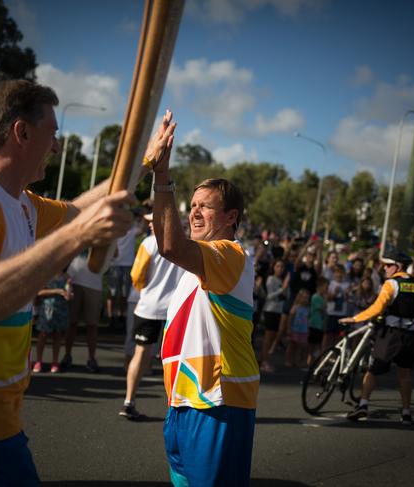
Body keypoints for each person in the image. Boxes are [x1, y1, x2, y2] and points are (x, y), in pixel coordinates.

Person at [0, 80, 172, 485]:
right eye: (53, 134)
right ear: (22, 132)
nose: (56, 147)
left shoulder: (20, 202)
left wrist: (143, 164)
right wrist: (79, 236)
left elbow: (82, 207)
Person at [148, 111, 259, 487]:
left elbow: (168, 243)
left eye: (205, 206)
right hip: (183, 399)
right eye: (192, 205)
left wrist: (161, 175)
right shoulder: (194, 265)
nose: (194, 211)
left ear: (231, 217)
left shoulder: (231, 255)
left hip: (219, 400)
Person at [340, 251, 414, 425]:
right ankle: (406, 413)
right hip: (410, 334)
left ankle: (363, 405)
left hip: (391, 334)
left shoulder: (391, 283)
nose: (385, 268)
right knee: (404, 375)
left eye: (388, 265)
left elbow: (377, 308)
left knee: (373, 370)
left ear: (398, 267)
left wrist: (355, 318)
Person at [119, 220, 184, 420]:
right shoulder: (183, 243)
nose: (149, 225)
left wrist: (148, 289)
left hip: (150, 306)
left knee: (140, 353)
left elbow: (136, 276)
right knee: (176, 359)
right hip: (175, 309)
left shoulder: (149, 243)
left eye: (152, 221)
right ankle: (179, 407)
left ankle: (129, 401)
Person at [61, 251, 104, 372]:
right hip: (74, 281)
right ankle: (67, 355)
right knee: (71, 323)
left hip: (94, 284)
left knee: (92, 325)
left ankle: (91, 358)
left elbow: (114, 253)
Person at [32, 270, 72, 373]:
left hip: (61, 309)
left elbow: (70, 292)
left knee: (58, 335)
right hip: (47, 309)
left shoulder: (66, 276)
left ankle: (55, 362)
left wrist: (69, 295)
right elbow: (39, 292)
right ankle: (38, 361)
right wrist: (57, 291)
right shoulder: (46, 274)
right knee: (43, 334)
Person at [260, 259, 290, 373]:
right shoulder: (271, 279)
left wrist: (285, 289)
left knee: (272, 337)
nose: (280, 269)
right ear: (274, 267)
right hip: (270, 310)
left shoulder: (281, 280)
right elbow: (269, 296)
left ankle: (266, 360)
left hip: (278, 311)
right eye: (278, 266)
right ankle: (264, 361)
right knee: (268, 337)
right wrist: (282, 289)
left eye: (282, 267)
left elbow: (285, 296)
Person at [286, 289, 309, 368]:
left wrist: (308, 329)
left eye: (307, 298)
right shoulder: (295, 307)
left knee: (300, 346)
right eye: (304, 298)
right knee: (292, 345)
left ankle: (296, 360)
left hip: (303, 330)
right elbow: (290, 318)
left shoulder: (307, 308)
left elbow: (307, 320)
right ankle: (289, 360)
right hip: (295, 329)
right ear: (299, 298)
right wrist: (289, 328)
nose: (305, 300)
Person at [308, 277, 328, 365]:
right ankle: (309, 360)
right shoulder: (315, 297)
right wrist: (326, 300)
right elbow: (322, 308)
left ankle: (316, 361)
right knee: (312, 343)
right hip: (314, 323)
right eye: (325, 287)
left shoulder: (321, 297)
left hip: (320, 324)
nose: (326, 289)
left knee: (318, 343)